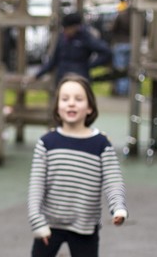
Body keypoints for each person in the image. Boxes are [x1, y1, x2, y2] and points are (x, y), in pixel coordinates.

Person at [27, 74, 128, 257]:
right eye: (65, 99)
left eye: (78, 99)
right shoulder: (47, 143)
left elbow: (113, 181)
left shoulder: (101, 144)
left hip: (85, 226)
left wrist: (118, 207)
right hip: (49, 225)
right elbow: (36, 186)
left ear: (89, 107)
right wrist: (37, 220)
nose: (71, 103)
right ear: (57, 107)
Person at [27, 12, 112, 86]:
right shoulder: (62, 38)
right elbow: (53, 60)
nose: (65, 31)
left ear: (75, 27)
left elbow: (105, 52)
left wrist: (90, 65)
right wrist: (37, 75)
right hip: (62, 78)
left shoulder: (85, 37)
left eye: (67, 28)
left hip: (79, 78)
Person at [111, 0, 132, 95]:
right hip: (131, 43)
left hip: (120, 42)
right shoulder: (135, 15)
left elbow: (113, 28)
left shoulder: (120, 13)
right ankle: (127, 89)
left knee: (120, 67)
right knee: (129, 67)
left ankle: (121, 90)